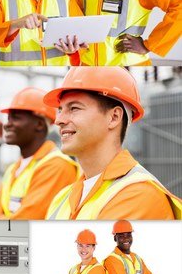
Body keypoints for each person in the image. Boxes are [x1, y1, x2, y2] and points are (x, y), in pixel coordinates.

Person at [46, 65, 182, 220]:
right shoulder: (63, 197)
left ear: (114, 117)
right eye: (60, 110)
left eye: (74, 108)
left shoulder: (138, 195)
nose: (58, 120)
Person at [0, 87, 78, 219]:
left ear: (40, 124)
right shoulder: (13, 169)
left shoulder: (57, 166)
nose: (7, 125)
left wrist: (2, 220)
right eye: (8, 119)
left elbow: (25, 224)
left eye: (16, 118)